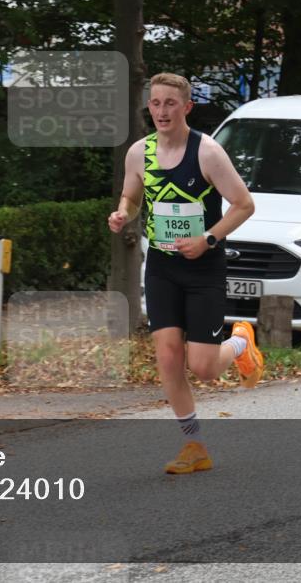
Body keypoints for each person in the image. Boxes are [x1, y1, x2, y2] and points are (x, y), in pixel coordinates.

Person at [108, 72, 264, 474]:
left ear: (187, 107)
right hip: (161, 267)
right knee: (167, 357)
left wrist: (209, 240)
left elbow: (243, 204)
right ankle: (193, 444)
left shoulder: (208, 152)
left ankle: (241, 344)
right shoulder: (138, 153)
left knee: (205, 368)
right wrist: (124, 212)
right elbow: (133, 192)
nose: (162, 111)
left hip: (204, 269)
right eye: (156, 103)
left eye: (170, 103)